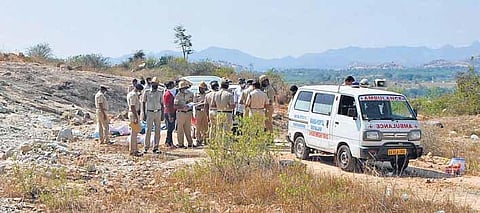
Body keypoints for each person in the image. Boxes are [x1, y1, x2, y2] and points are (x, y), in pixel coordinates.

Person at [141, 77, 164, 154]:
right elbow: (143, 103)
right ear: (151, 84)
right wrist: (143, 113)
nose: (156, 85)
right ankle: (146, 147)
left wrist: (162, 114)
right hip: (149, 112)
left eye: (157, 84)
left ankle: (156, 147)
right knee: (148, 130)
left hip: (158, 112)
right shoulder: (147, 92)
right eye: (154, 83)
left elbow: (162, 104)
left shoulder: (160, 92)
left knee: (158, 130)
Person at [174, 81, 194, 148]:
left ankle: (190, 143)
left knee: (188, 129)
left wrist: (189, 105)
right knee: (180, 129)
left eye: (184, 87)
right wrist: (182, 107)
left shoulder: (190, 94)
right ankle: (181, 144)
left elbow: (192, 102)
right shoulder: (177, 95)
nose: (183, 89)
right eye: (182, 88)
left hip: (188, 113)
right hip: (181, 113)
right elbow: (175, 106)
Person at [127, 84, 144, 156]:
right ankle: (133, 150)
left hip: (133, 113)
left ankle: (135, 149)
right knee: (133, 133)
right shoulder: (133, 95)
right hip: (133, 114)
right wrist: (136, 117)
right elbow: (132, 106)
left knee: (135, 132)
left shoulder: (131, 94)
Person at [163, 81, 176, 148]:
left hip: (171, 112)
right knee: (170, 128)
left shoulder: (171, 93)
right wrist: (170, 115)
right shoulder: (168, 94)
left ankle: (169, 141)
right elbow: (167, 105)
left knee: (171, 128)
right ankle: (169, 142)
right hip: (169, 112)